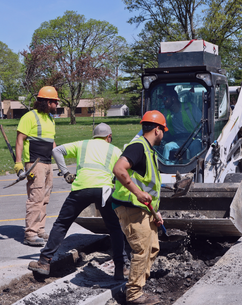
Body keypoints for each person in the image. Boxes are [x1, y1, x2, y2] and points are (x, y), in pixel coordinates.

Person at [28, 123, 129, 280]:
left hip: (81, 188)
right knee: (115, 228)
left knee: (62, 224)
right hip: (104, 190)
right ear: (108, 137)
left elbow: (56, 150)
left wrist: (66, 172)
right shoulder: (115, 150)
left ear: (94, 135)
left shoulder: (83, 144)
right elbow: (122, 170)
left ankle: (44, 262)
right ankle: (120, 268)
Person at [112, 110, 167, 305]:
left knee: (152, 248)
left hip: (143, 209)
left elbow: (147, 187)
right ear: (158, 129)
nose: (163, 135)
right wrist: (136, 193)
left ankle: (138, 286)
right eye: (163, 131)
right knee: (141, 249)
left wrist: (155, 211)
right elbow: (119, 169)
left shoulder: (147, 150)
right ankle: (134, 294)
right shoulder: (138, 147)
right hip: (130, 207)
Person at [14, 86, 59, 246]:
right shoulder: (29, 117)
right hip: (35, 164)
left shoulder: (51, 118)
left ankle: (40, 230)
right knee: (35, 198)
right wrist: (19, 164)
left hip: (47, 164)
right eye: (55, 102)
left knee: (44, 199)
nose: (56, 105)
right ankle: (30, 234)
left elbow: (52, 142)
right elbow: (20, 140)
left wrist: (60, 164)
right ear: (47, 102)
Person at [161, 88, 202, 162]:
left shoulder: (190, 107)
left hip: (194, 138)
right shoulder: (165, 112)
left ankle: (195, 168)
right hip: (178, 140)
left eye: (165, 98)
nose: (163, 102)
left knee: (195, 145)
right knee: (167, 147)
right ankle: (167, 169)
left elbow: (202, 122)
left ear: (173, 98)